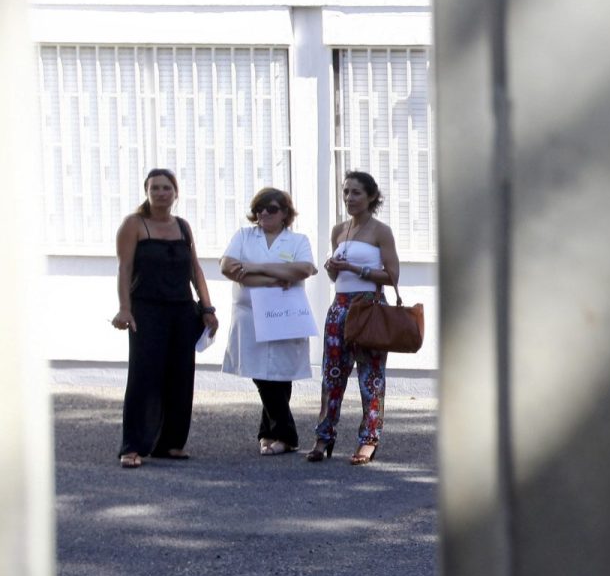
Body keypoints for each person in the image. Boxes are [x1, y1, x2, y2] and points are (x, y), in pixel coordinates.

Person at [112, 168, 218, 467]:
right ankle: (132, 447)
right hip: (146, 310)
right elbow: (124, 268)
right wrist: (124, 308)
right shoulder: (134, 224)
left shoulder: (182, 226)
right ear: (146, 191)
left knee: (181, 375)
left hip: (182, 309)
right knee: (144, 377)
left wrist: (207, 308)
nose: (161, 193)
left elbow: (195, 269)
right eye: (155, 188)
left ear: (176, 193)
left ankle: (171, 443)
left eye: (166, 188)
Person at [309, 171, 399, 466]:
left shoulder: (380, 231)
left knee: (370, 376)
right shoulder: (340, 230)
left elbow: (391, 275)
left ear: (371, 196)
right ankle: (324, 436)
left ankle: (369, 440)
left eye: (356, 192)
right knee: (332, 374)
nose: (349, 198)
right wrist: (333, 267)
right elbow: (337, 275)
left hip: (368, 306)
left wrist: (355, 268)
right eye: (346, 192)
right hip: (339, 307)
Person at [219, 187, 318, 455]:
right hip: (250, 314)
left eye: (271, 208)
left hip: (284, 314)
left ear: (285, 213)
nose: (264, 213)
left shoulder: (297, 240)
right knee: (261, 374)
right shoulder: (244, 236)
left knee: (279, 374)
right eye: (259, 208)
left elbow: (304, 269)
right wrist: (276, 277)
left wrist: (255, 267)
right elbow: (228, 267)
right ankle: (284, 434)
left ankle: (273, 434)